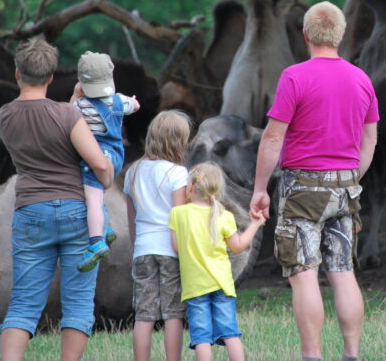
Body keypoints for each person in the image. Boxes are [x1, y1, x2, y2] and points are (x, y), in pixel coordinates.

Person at [250, 1, 379, 361]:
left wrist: (260, 189)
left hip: (302, 189)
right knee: (343, 270)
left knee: (304, 272)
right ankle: (351, 354)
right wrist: (351, 179)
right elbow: (369, 140)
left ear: (305, 34)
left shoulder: (294, 77)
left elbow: (273, 137)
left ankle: (312, 356)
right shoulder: (361, 79)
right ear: (341, 34)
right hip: (346, 187)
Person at [0, 39, 114, 361]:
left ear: (17, 72)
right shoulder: (67, 115)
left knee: (23, 303)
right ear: (51, 77)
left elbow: (40, 124)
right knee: (77, 303)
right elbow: (99, 164)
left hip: (30, 211)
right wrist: (107, 178)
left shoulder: (5, 115)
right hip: (77, 212)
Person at [169, 162, 265, 361]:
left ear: (191, 187)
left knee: (202, 338)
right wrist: (255, 224)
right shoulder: (224, 216)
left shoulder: (178, 214)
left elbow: (176, 247)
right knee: (230, 334)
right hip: (222, 284)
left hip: (195, 287)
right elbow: (238, 246)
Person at [123, 110, 192, 361]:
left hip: (143, 249)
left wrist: (137, 248)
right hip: (171, 249)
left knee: (144, 315)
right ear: (178, 141)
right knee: (173, 313)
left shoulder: (132, 172)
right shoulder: (178, 173)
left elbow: (132, 219)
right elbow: (179, 218)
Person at [71, 51, 140, 272]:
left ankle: (95, 242)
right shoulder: (118, 100)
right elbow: (135, 107)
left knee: (91, 199)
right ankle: (106, 227)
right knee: (99, 195)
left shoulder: (81, 106)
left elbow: (66, 115)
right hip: (116, 157)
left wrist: (75, 94)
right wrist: (133, 101)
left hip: (95, 159)